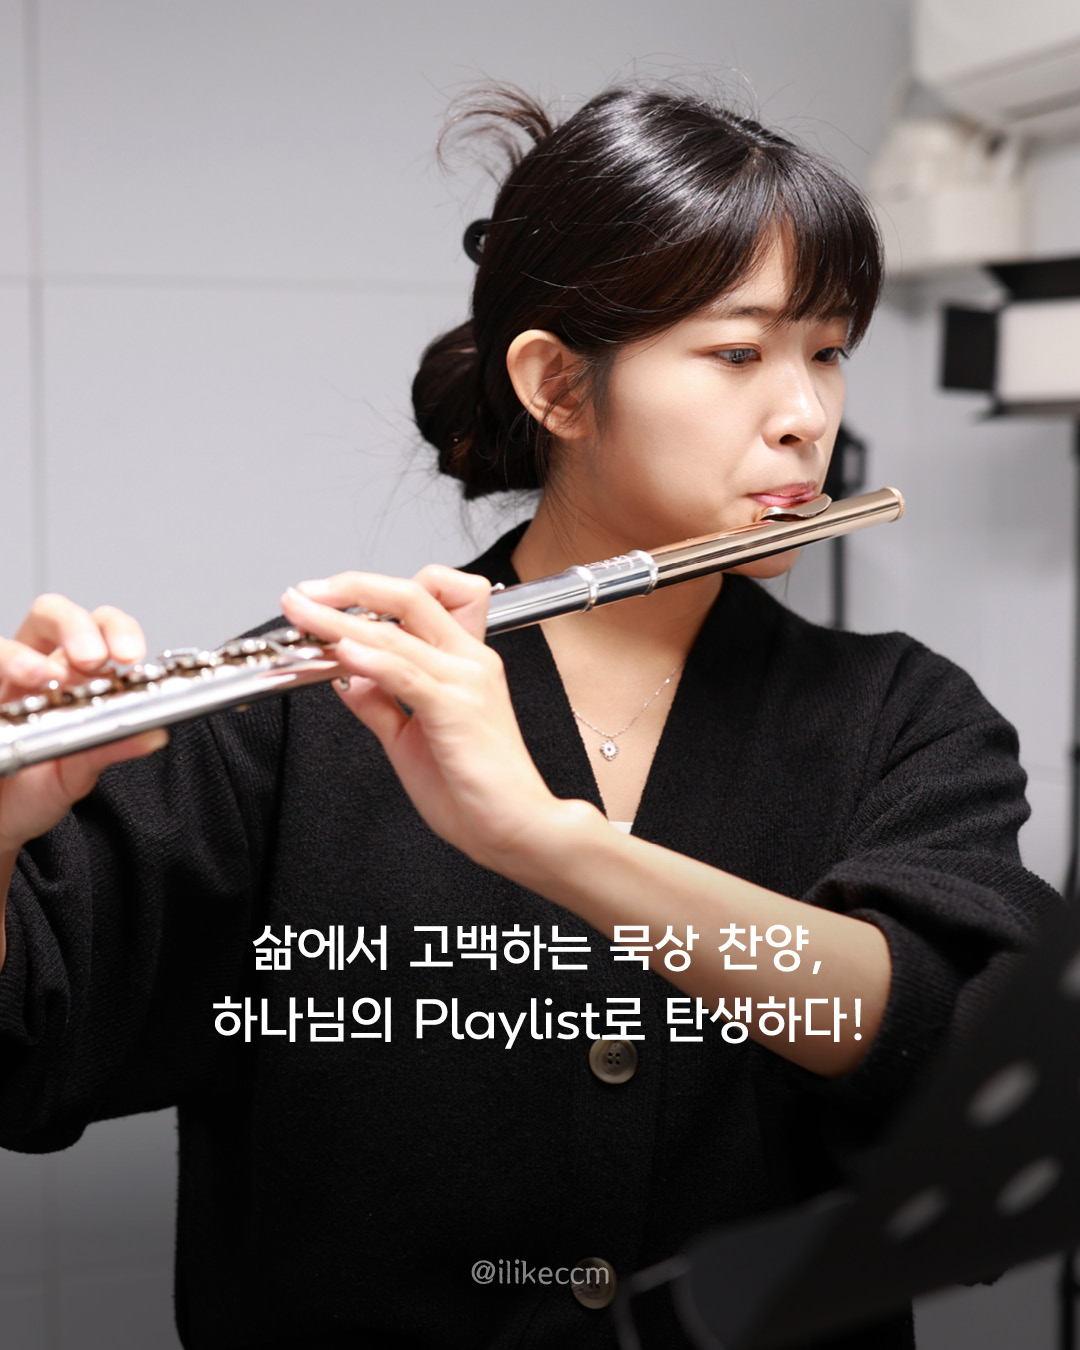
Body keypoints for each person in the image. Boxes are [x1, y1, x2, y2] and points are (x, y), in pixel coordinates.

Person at [0, 84, 1060, 1349]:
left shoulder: (905, 718)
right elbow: (29, 1042)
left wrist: (552, 842)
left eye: (827, 352)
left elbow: (957, 1047)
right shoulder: (295, 715)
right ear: (558, 384)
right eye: (739, 354)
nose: (806, 416)